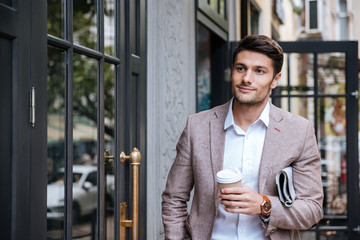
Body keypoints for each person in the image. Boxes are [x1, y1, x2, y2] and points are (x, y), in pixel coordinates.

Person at [161, 35, 324, 240]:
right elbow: (174, 198)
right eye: (241, 68)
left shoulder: (299, 131)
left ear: (275, 80)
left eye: (259, 71)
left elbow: (312, 209)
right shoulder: (197, 127)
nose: (247, 78)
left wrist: (264, 205)